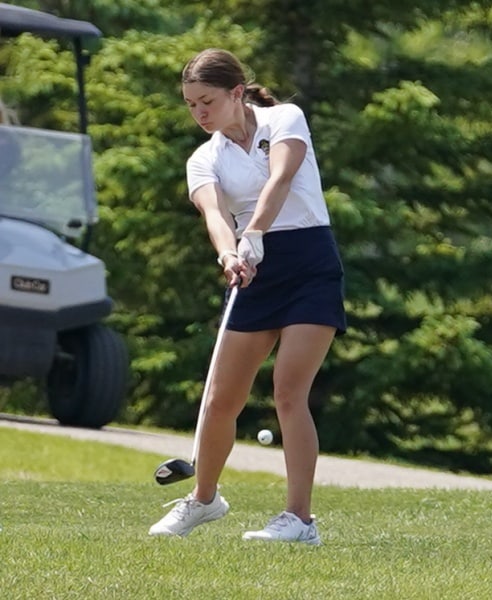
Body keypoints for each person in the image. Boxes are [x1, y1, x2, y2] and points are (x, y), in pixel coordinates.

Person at [149, 48, 346, 545]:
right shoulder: (204, 158)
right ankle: (204, 499)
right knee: (220, 400)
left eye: (207, 101)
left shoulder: (285, 118)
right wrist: (228, 253)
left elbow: (282, 176)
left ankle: (299, 520)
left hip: (309, 264)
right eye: (191, 104)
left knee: (287, 391)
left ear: (237, 93)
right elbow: (215, 215)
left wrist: (254, 230)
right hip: (253, 272)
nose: (199, 114)